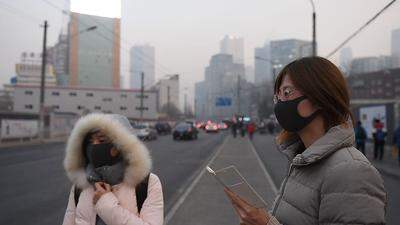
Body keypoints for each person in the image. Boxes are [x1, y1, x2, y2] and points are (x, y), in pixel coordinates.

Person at [224, 57, 386, 225]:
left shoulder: (352, 171)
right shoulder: (302, 160)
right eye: (277, 97)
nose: (280, 104)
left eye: (287, 93)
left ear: (319, 97)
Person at [62, 113, 164, 225]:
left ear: (120, 145)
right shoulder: (80, 185)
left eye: (102, 141)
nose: (94, 146)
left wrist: (106, 204)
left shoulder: (148, 183)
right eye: (90, 142)